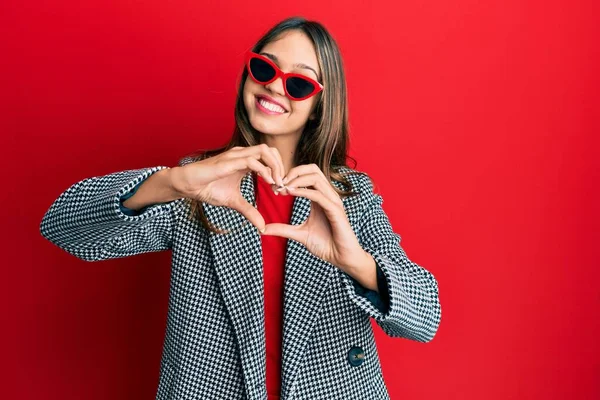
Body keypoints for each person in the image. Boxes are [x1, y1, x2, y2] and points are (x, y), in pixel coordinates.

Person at [40, 16, 441, 400]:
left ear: (319, 105)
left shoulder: (350, 198)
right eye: (265, 69)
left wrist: (355, 261)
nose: (276, 88)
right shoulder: (201, 182)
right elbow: (63, 228)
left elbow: (425, 319)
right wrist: (173, 181)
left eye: (299, 83)